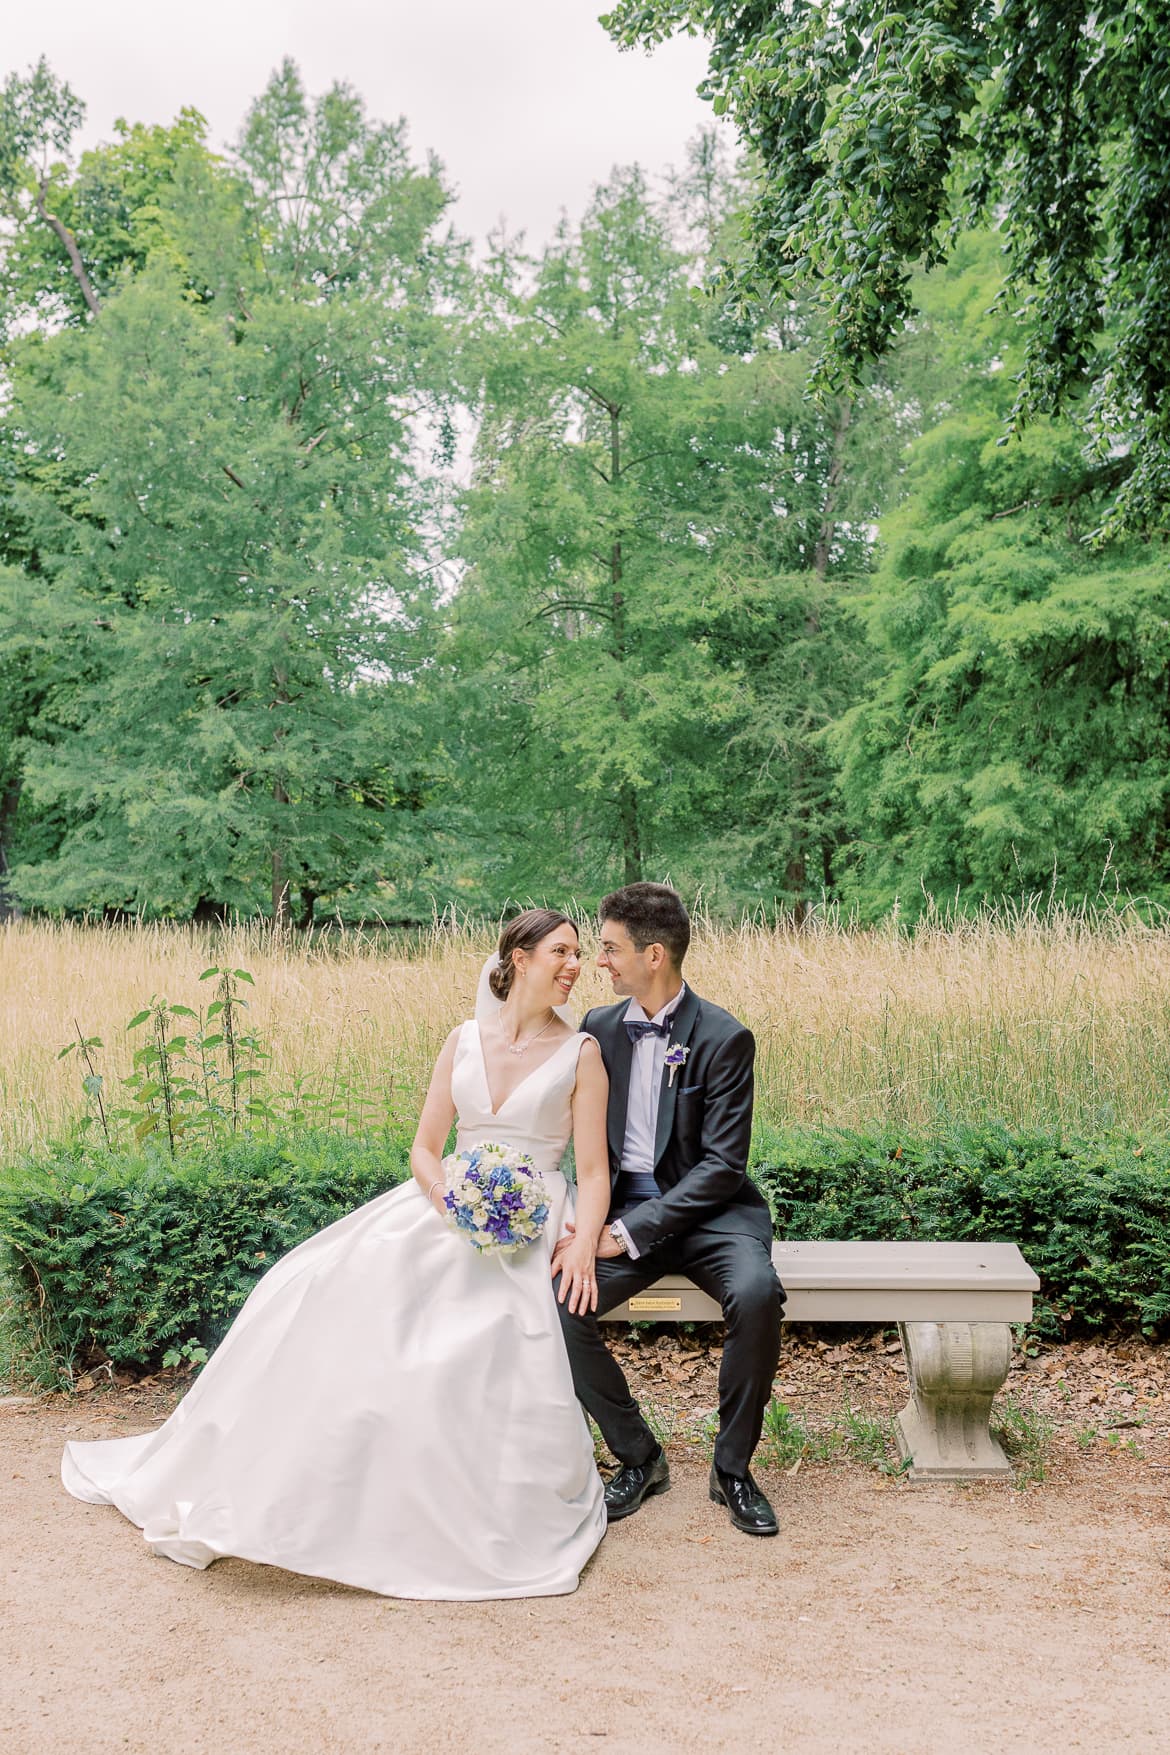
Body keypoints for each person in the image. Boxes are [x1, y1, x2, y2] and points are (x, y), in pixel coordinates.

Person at [61, 909, 610, 1600]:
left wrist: (583, 1242)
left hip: (529, 1219)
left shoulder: (581, 1052)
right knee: (315, 1288)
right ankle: (294, 1478)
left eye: (580, 953)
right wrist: (447, 1196)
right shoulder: (463, 1039)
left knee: (474, 1337)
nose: (575, 964)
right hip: (444, 1205)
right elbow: (423, 1147)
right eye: (562, 950)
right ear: (520, 958)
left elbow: (593, 1171)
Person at [554, 882, 784, 1537]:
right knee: (560, 1302)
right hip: (622, 1215)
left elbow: (722, 1168)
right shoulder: (597, 1028)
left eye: (610, 948)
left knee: (759, 1290)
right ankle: (639, 1455)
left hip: (713, 1219)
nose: (600, 961)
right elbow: (588, 1145)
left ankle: (733, 1468)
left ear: (654, 955)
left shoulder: (724, 1037)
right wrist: (589, 1222)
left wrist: (626, 1232)